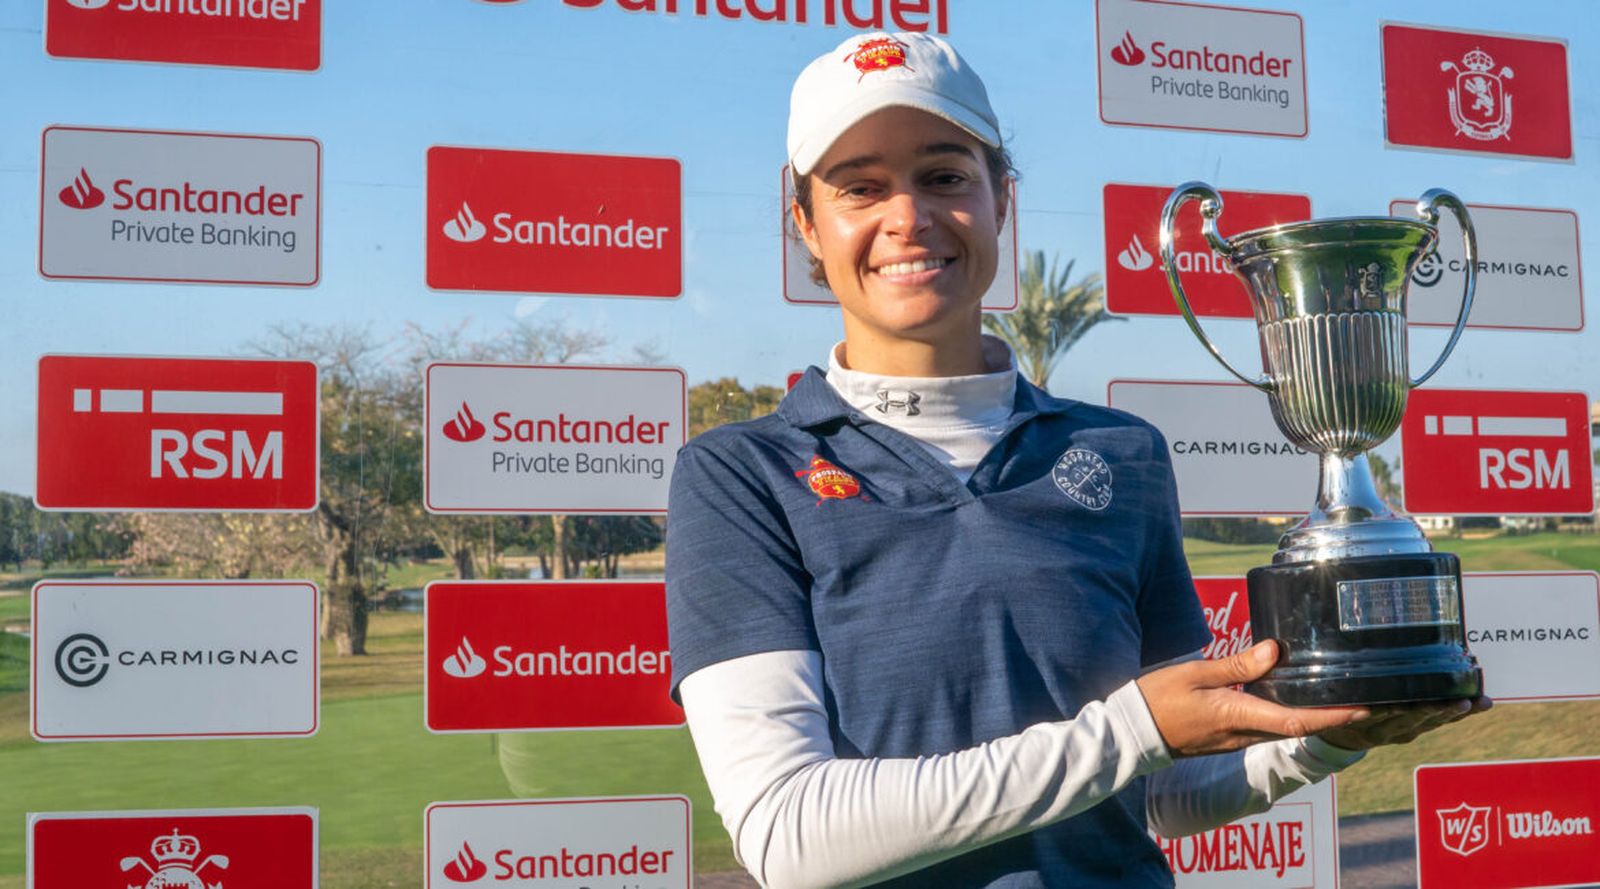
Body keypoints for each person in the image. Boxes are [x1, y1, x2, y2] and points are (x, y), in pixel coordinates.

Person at [665, 31, 1489, 888]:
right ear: (807, 222)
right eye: (860, 187)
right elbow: (790, 835)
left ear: (1001, 200)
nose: (907, 217)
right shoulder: (740, 475)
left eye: (945, 175)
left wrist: (1324, 735)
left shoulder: (1119, 452)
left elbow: (1155, 787)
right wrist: (1133, 728)